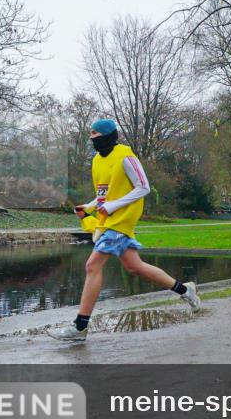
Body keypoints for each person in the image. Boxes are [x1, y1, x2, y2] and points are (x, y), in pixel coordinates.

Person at [48, 119, 201, 341]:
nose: (93, 141)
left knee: (92, 266)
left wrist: (113, 206)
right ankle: (186, 291)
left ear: (109, 137)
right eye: (91, 137)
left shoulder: (126, 156)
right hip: (109, 221)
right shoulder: (96, 161)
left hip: (121, 221)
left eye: (96, 136)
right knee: (134, 266)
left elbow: (144, 187)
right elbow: (105, 195)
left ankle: (80, 327)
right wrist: (89, 207)